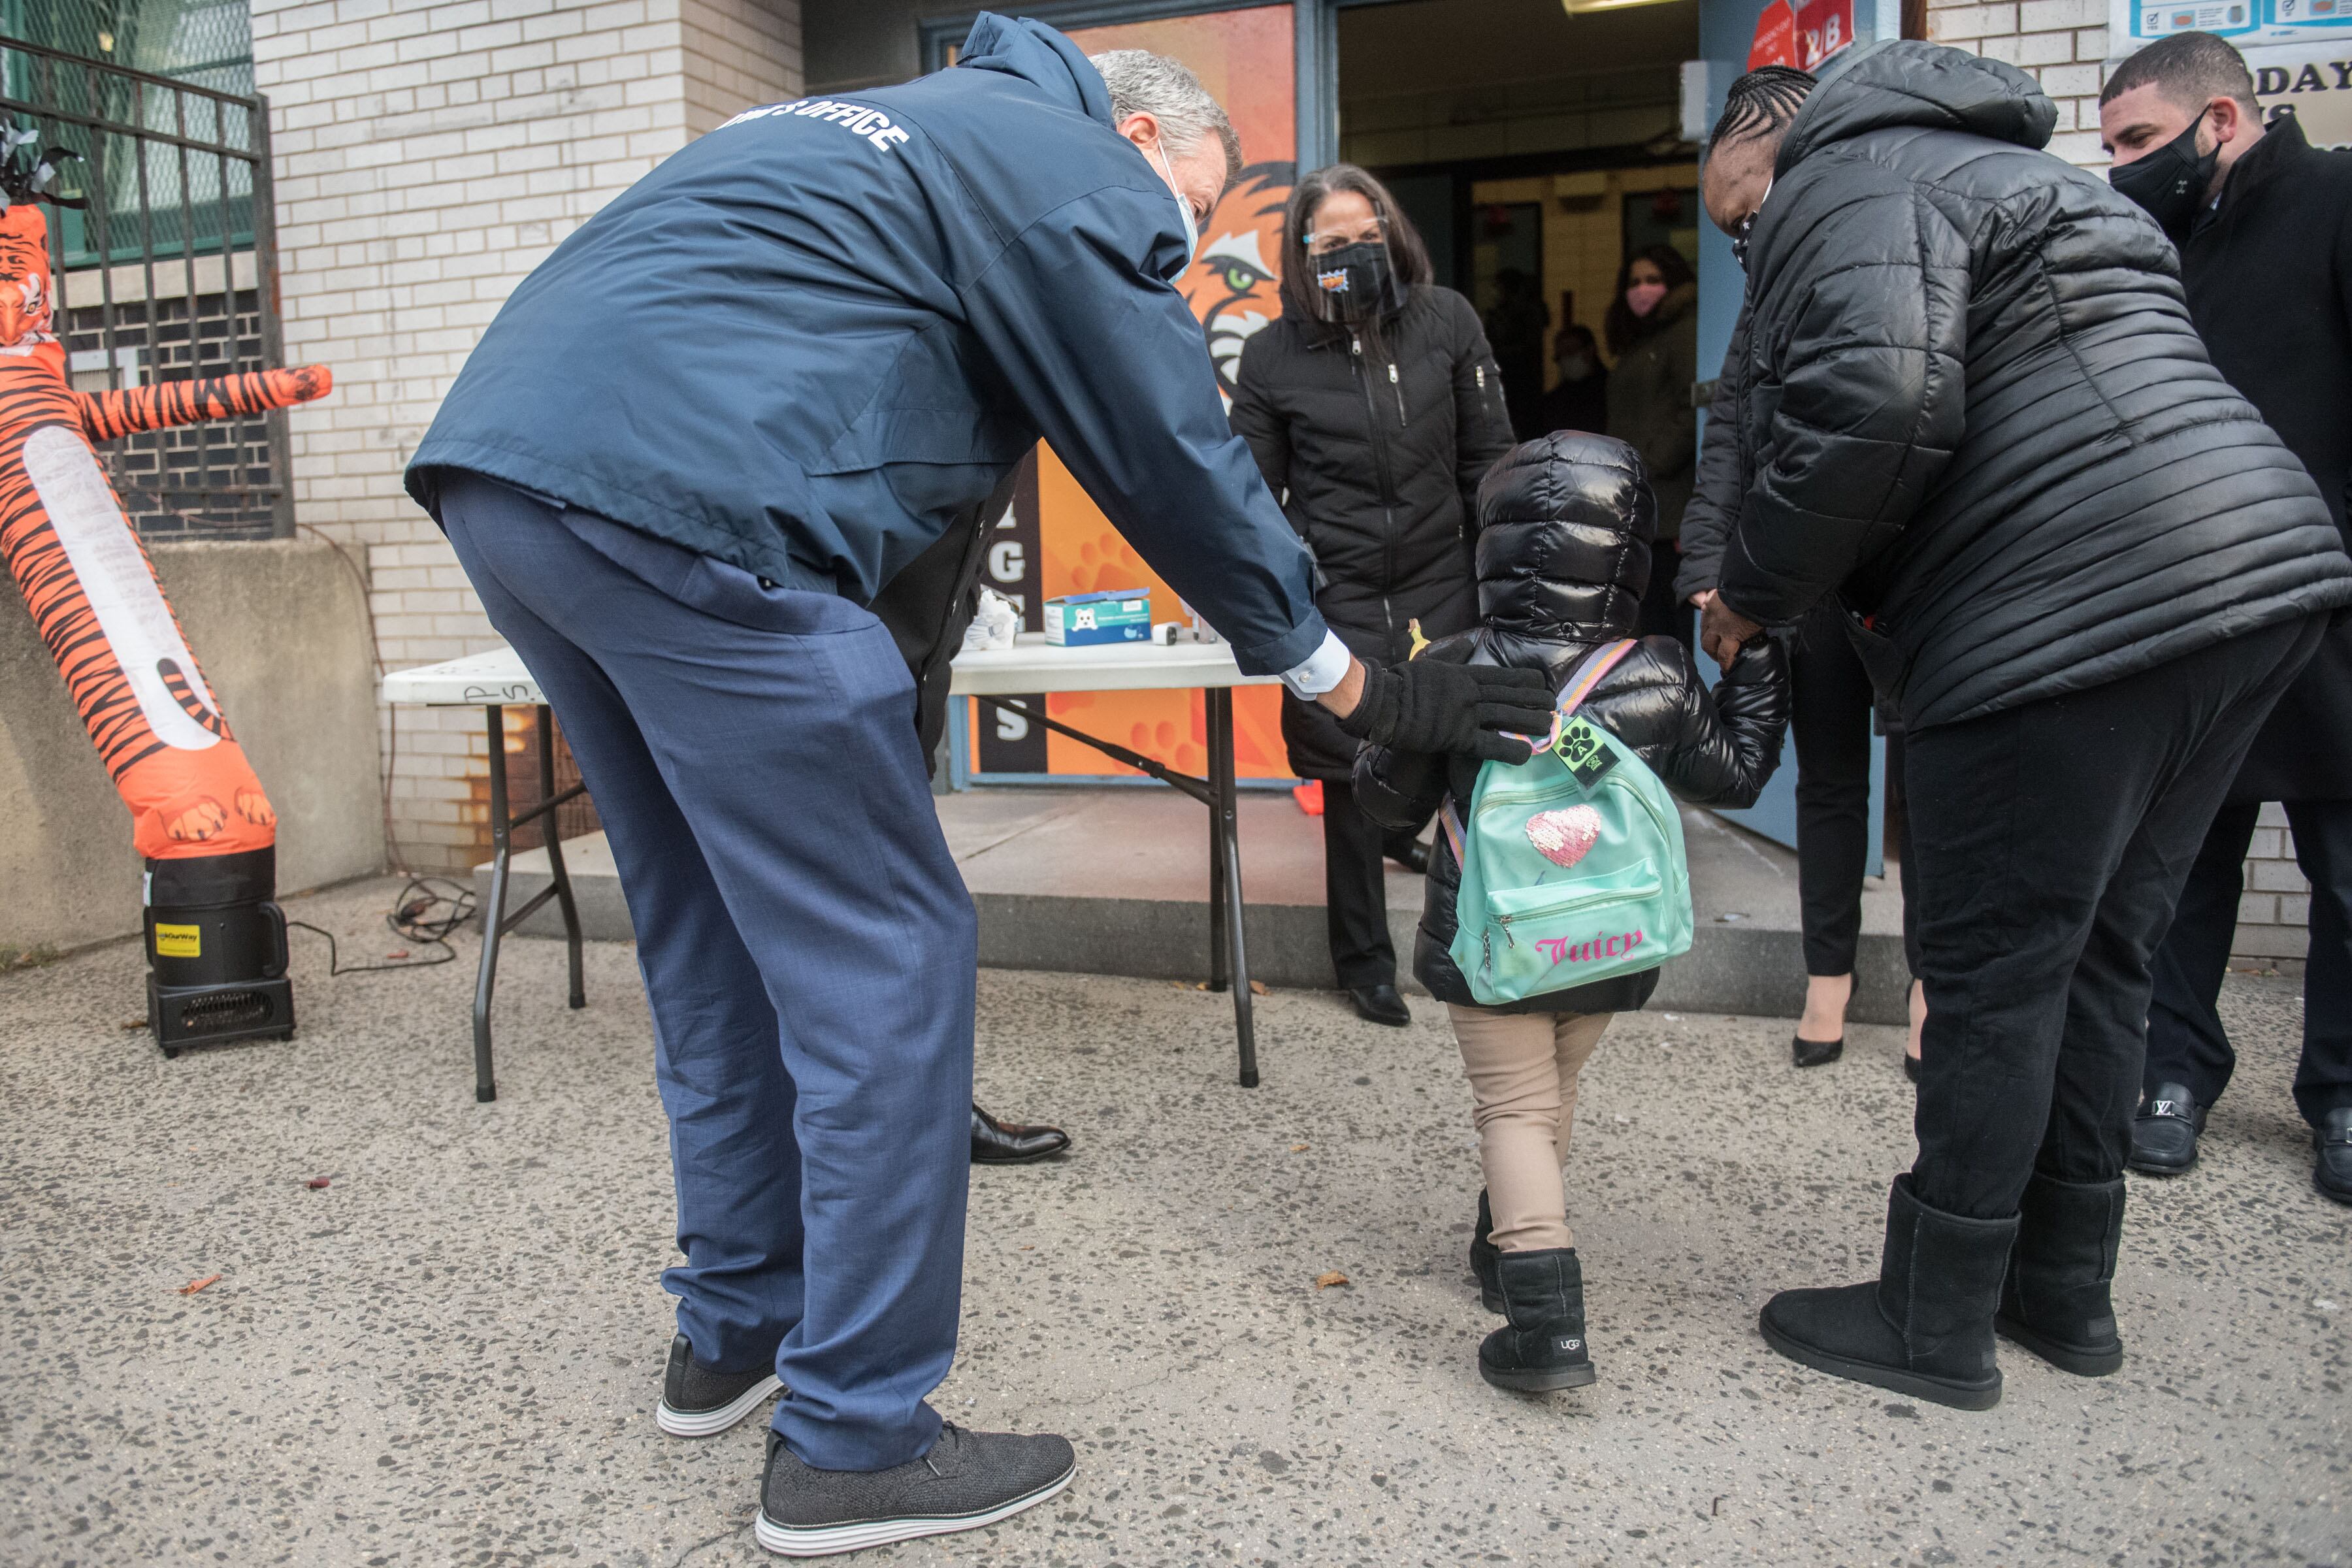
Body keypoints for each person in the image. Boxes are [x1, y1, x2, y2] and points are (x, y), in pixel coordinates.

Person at [402, 18, 1552, 1556]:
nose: (1182, 247)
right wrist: (1348, 677)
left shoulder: (894, 125)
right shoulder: (1065, 159)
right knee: (889, 952)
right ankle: (856, 1436)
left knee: (711, 931)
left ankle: (735, 1326)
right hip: (690, 513)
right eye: (1196, 211)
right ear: (1142, 141)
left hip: (516, 485)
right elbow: (1167, 449)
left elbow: (893, 451)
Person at [1695, 44, 2351, 1412]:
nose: (1749, 249)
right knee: (2107, 949)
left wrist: (1751, 596)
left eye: (1742, 213)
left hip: (2066, 608)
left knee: (1993, 969)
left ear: (1785, 142)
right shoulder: (2038, 184)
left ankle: (1932, 1320)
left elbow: (1875, 402)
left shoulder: (1844, 179)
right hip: (2257, 580)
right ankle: (2064, 1291)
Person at [1354, 431, 1788, 1393]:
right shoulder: (1661, 674)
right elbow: (1742, 777)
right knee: (1552, 1096)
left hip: (1494, 942)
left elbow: (1385, 801)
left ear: (1492, 545)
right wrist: (1753, 662)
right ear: (1631, 549)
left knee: (1512, 1107)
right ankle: (1501, 1245)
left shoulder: (1459, 660)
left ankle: (1546, 1332)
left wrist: (1401, 710)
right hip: (1607, 941)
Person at [2097, 32, 2352, 1205]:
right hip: (2193, 615)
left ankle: (2344, 1095)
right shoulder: (2159, 246)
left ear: (2221, 120)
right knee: (2181, 867)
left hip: (2332, 614)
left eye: (2140, 141)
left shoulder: (2339, 202)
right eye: (2111, 148)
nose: (2124, 168)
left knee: (2346, 869)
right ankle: (2172, 1075)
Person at [1230, 163, 1516, 1027]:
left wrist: (1506, 581)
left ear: (1393, 236)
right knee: (1351, 784)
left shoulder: (1447, 321)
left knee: (1469, 766)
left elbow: (1490, 461)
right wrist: (1285, 584)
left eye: (1367, 236)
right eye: (1332, 243)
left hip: (1443, 586)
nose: (1354, 254)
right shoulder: (1273, 353)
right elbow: (1250, 492)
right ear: (1301, 256)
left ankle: (1482, 943)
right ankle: (1365, 966)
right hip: (1344, 597)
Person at [1676, 248, 1927, 1075]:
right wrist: (1707, 572)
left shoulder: (1907, 261)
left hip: (1913, 579)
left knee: (1926, 793)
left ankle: (1932, 990)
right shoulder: (1765, 301)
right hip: (1810, 584)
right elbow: (1730, 453)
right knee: (1828, 788)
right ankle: (1829, 980)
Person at [1603, 244, 1699, 649]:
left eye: (1653, 280)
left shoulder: (1684, 331)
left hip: (1673, 506)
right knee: (1651, 622)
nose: (1642, 289)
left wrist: (1653, 460)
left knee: (1675, 623)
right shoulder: (1639, 342)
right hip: (1642, 508)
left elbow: (1692, 405)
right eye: (1634, 282)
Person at [1486, 267, 1554, 441]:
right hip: (1511, 379)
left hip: (1521, 379)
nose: (1494, 292)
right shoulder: (1501, 313)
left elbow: (1528, 345)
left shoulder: (1526, 312)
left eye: (1498, 286)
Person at [1531, 321, 1608, 437]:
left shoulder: (1611, 390)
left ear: (1590, 351)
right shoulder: (1554, 402)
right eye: (1559, 356)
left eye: (1570, 352)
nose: (1565, 360)